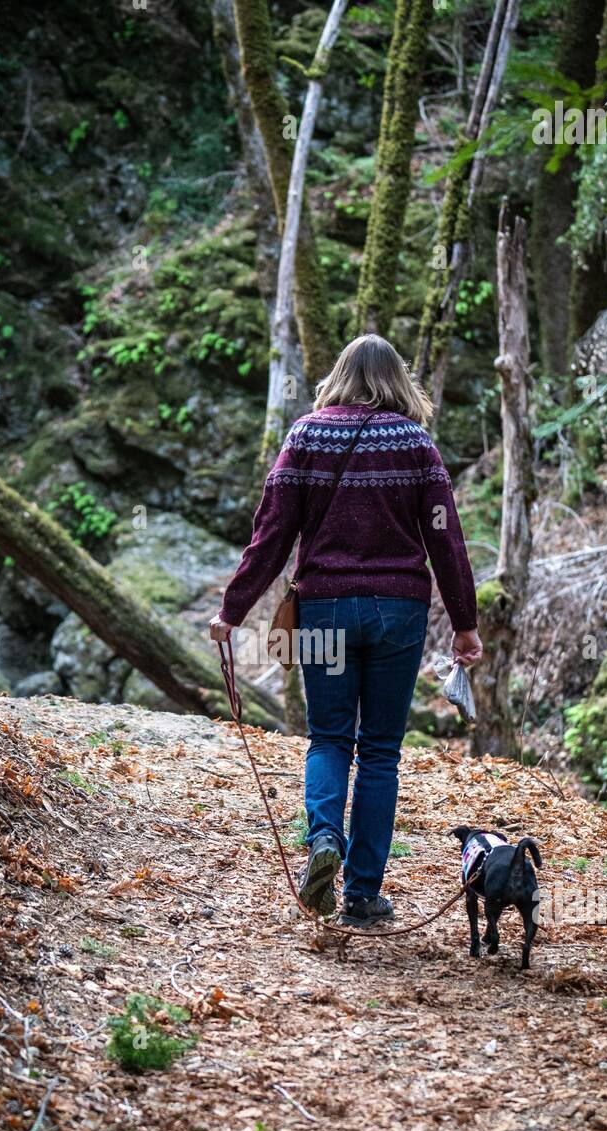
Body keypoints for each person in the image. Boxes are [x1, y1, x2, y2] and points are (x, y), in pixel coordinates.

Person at [209, 334, 482, 928]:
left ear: (340, 375)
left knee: (329, 739)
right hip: (399, 611)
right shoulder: (416, 444)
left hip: (325, 608)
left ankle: (323, 839)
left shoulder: (306, 435)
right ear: (397, 381)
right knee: (381, 751)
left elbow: (271, 535)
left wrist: (232, 611)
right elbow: (447, 539)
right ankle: (361, 895)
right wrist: (465, 624)